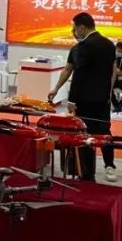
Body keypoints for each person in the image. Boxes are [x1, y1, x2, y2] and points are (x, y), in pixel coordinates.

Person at [48, 13, 116, 182]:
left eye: (74, 29)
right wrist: (56, 88)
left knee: (84, 134)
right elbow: (111, 71)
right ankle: (110, 165)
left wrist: (71, 100)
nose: (74, 32)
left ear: (82, 28)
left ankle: (87, 174)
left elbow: (79, 74)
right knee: (104, 131)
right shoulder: (109, 44)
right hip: (103, 98)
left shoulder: (84, 47)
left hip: (85, 100)